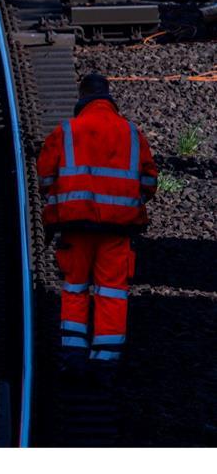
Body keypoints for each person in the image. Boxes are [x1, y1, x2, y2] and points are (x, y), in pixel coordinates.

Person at [36, 73, 158, 382]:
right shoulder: (132, 133)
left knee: (75, 287)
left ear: (81, 100)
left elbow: (45, 180)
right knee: (112, 291)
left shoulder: (65, 132)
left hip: (75, 228)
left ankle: (73, 354)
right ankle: (105, 359)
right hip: (117, 230)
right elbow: (149, 182)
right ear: (109, 99)